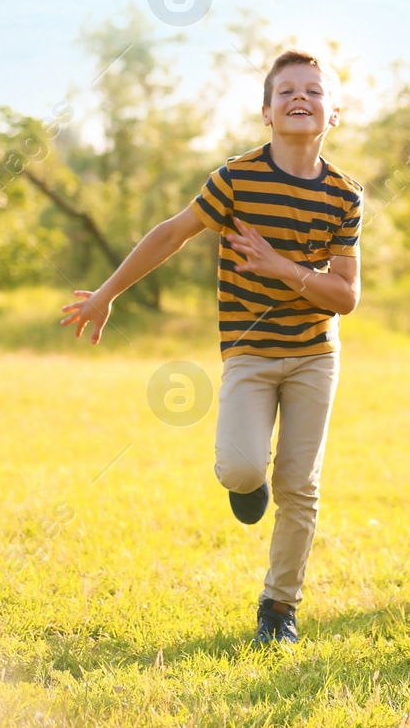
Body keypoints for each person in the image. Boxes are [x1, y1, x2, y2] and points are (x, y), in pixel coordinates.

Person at [61, 51, 362, 646]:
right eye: (287, 92)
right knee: (244, 468)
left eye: (314, 91)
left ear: (334, 113)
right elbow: (172, 233)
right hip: (249, 355)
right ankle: (247, 487)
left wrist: (281, 267)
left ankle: (279, 609)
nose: (300, 98)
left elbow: (346, 296)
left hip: (314, 354)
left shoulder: (344, 196)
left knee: (300, 484)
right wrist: (107, 293)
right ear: (266, 113)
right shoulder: (236, 179)